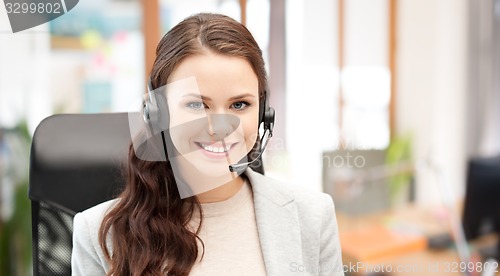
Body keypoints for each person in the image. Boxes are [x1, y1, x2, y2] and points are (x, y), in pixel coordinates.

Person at [71, 13, 344, 276]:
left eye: (239, 104)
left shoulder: (313, 216)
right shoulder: (99, 234)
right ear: (157, 114)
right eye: (197, 104)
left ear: (263, 114)